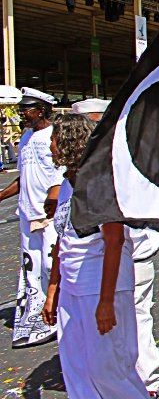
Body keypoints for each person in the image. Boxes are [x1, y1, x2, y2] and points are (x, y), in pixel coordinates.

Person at [69, 97, 159, 398]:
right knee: (126, 326)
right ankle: (135, 380)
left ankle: (144, 383)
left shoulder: (115, 158)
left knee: (133, 321)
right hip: (111, 256)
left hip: (131, 251)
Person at [41, 113, 150, 397]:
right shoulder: (66, 185)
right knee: (76, 365)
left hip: (100, 284)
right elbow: (61, 240)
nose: (50, 145)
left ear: (68, 141)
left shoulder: (101, 182)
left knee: (107, 368)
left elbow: (114, 241)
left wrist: (105, 302)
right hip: (72, 287)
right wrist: (54, 289)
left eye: (54, 139)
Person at [0, 87, 63, 347]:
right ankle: (35, 317)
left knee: (53, 266)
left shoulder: (54, 136)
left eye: (26, 109)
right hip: (27, 214)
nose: (22, 114)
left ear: (42, 110)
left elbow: (61, 174)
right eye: (21, 109)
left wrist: (54, 200)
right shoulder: (26, 137)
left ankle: (59, 313)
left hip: (48, 215)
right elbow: (24, 176)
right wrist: (2, 195)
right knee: (32, 268)